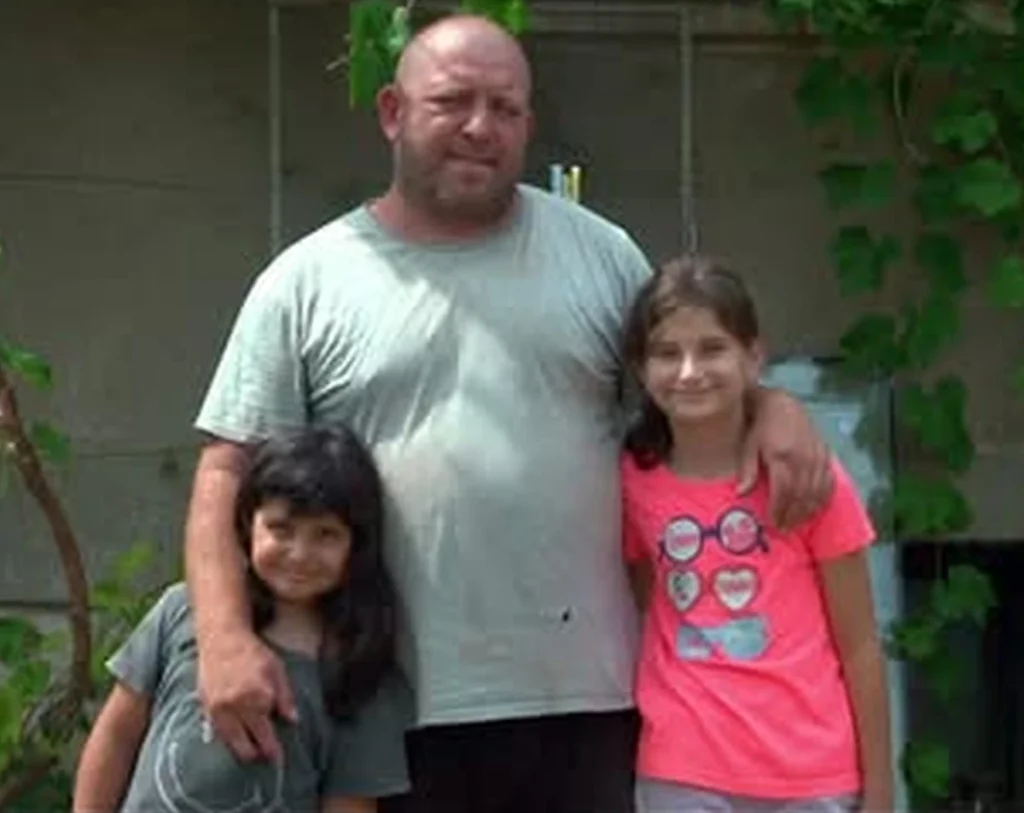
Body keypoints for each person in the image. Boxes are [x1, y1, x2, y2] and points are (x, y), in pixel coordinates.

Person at [184, 13, 834, 813]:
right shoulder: (307, 281)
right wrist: (223, 637)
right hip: (384, 705)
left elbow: (689, 380)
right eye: (451, 102)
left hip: (587, 704)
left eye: (505, 107)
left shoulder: (600, 255)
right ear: (392, 111)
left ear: (528, 123)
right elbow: (227, 468)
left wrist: (772, 404)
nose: (479, 127)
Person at [621, 255, 893, 813]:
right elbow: (646, 601)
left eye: (712, 348)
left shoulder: (806, 477)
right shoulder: (631, 483)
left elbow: (861, 644)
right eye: (667, 353)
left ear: (753, 356)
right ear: (641, 370)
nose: (689, 371)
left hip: (812, 772)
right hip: (683, 769)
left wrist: (882, 791)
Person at [73, 427, 411, 813]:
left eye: (326, 534)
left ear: (357, 543)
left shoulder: (357, 669)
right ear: (248, 523)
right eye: (281, 529)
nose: (300, 553)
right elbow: (117, 734)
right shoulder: (182, 610)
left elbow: (349, 803)